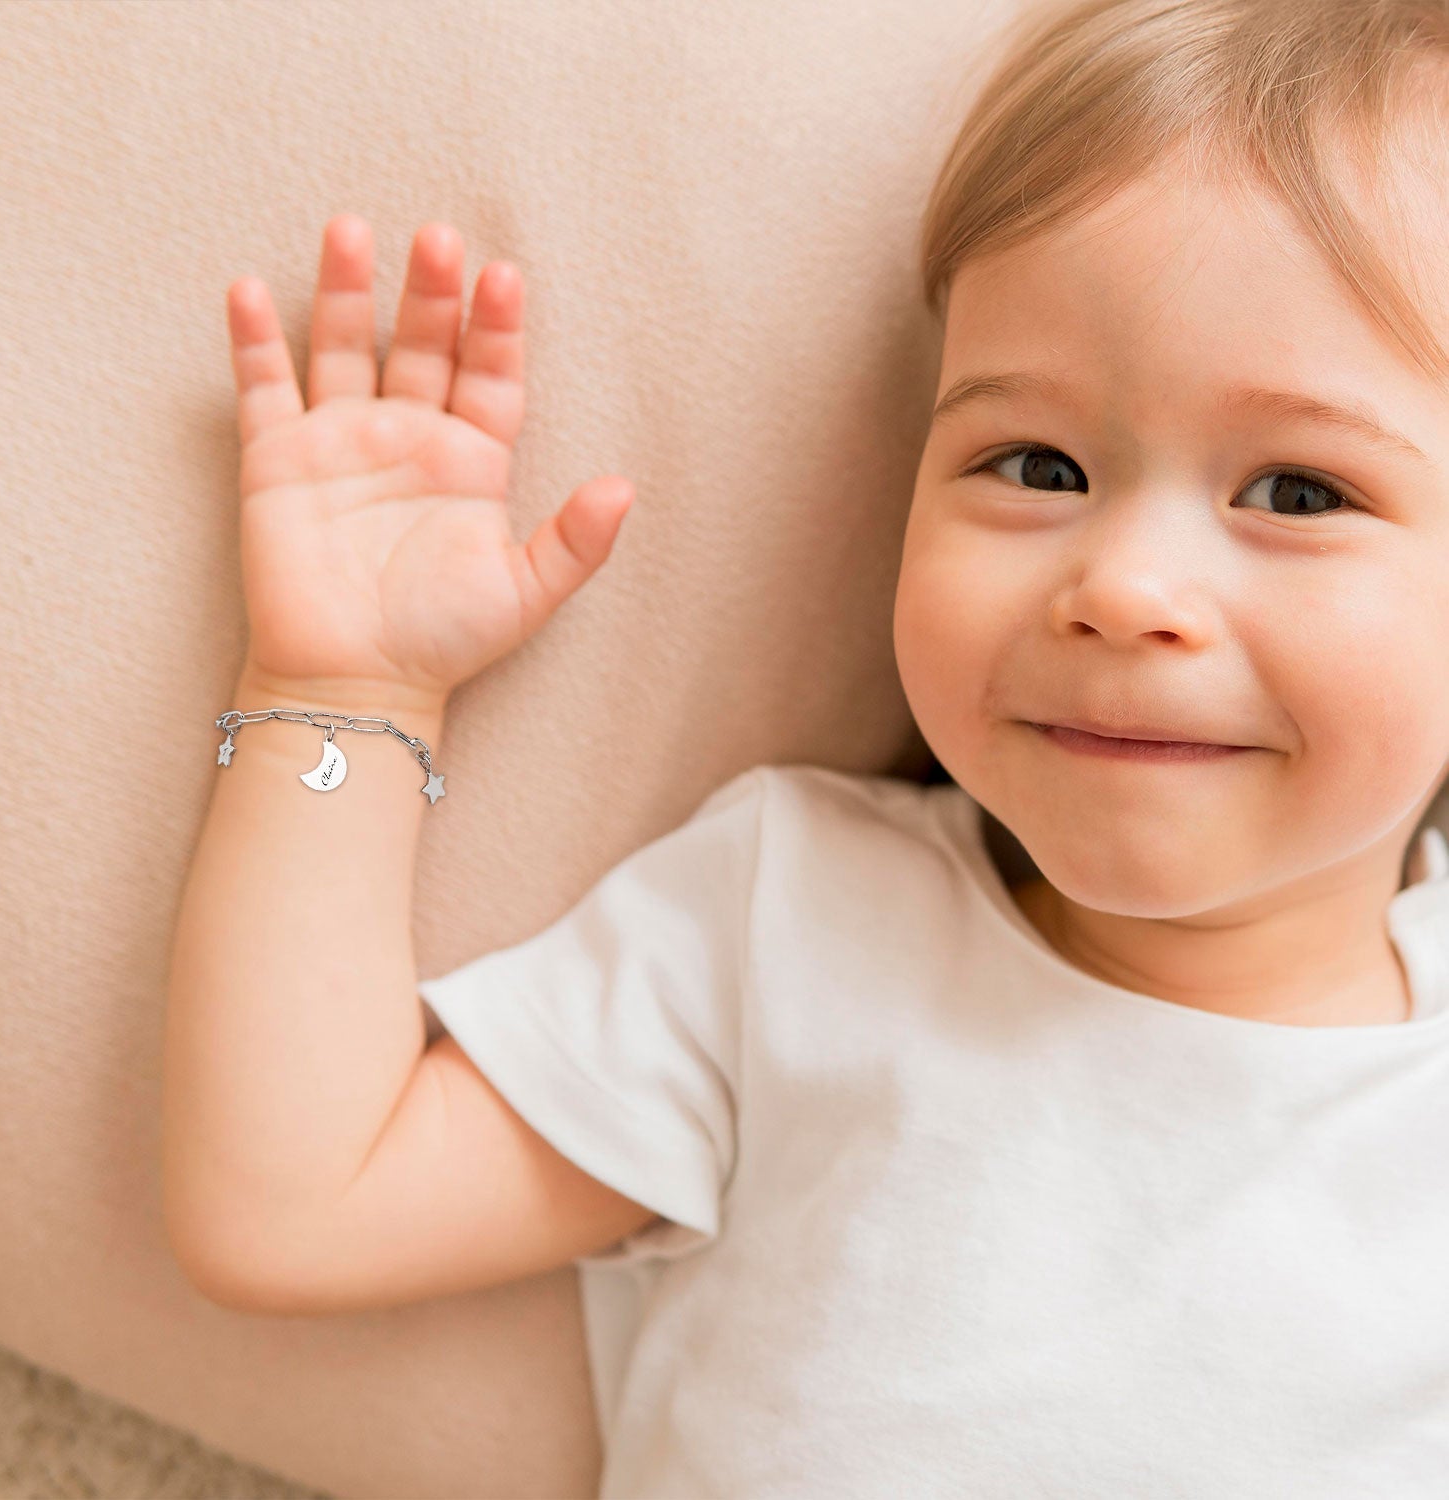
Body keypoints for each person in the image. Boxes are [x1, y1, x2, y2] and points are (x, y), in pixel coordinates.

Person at [162, 0, 1449, 1493]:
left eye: (1298, 493)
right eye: (1038, 466)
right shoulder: (796, 920)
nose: (1125, 591)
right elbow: (291, 1208)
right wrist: (345, 691)